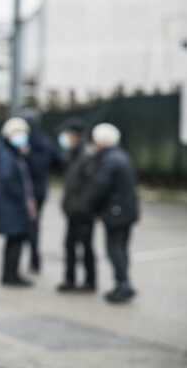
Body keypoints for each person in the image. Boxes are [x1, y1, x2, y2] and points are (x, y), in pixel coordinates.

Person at [89, 123, 139, 303]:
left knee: (115, 248)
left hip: (116, 212)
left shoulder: (109, 160)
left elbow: (100, 188)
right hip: (126, 211)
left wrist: (92, 207)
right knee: (122, 247)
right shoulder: (121, 156)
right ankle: (123, 282)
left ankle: (123, 284)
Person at [0, 117, 36, 286]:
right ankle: (10, 275)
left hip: (13, 204)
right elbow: (7, 178)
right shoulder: (7, 155)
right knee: (15, 239)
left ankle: (11, 273)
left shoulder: (14, 153)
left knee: (15, 240)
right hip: (12, 205)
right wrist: (21, 197)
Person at [56, 118, 97, 293]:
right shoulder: (71, 154)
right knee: (69, 246)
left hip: (83, 211)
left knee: (86, 247)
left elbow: (92, 185)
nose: (63, 137)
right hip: (72, 210)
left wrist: (86, 206)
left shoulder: (87, 155)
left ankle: (89, 281)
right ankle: (69, 279)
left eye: (66, 134)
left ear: (74, 135)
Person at [20, 109, 63, 273]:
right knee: (35, 224)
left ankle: (24, 258)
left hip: (26, 190)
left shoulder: (23, 143)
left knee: (23, 224)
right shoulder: (46, 141)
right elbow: (58, 161)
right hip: (41, 190)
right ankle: (34, 259)